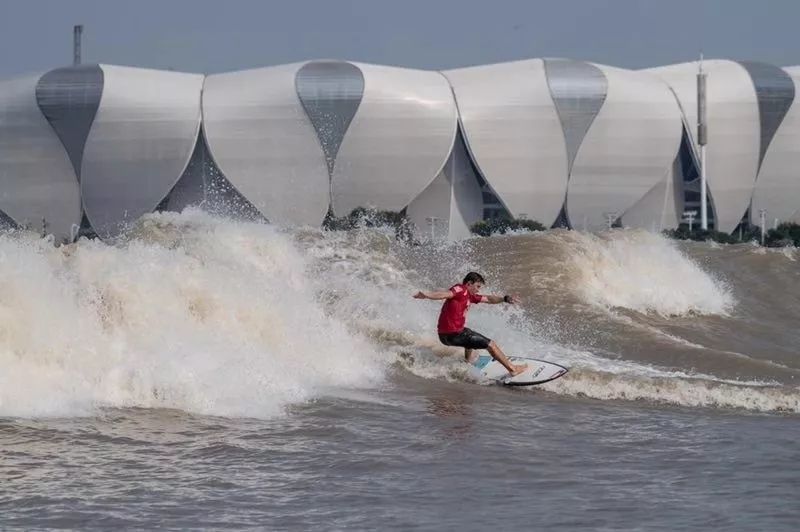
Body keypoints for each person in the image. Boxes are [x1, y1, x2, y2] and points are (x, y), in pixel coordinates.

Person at [413, 272, 527, 376]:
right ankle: (513, 369)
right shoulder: (460, 289)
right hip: (452, 335)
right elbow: (445, 294)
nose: (478, 290)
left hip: (447, 335)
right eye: (477, 286)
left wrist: (505, 299)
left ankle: (468, 361)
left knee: (468, 333)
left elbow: (488, 299)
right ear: (469, 283)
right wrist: (427, 295)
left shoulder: (469, 295)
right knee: (491, 345)